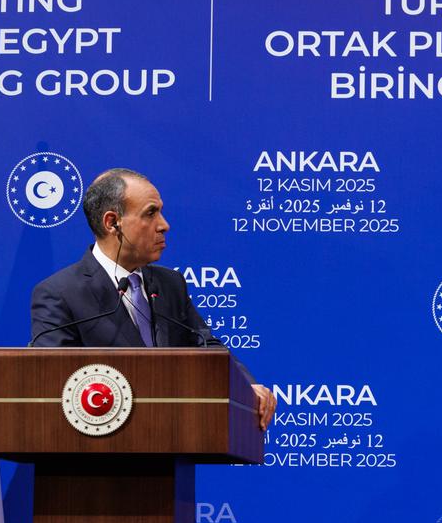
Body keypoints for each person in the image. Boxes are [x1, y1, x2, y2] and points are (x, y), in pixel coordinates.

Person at [31, 168, 276, 431]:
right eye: (151, 213)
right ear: (113, 223)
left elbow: (207, 346)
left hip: (169, 447)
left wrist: (245, 386)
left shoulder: (171, 285)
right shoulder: (60, 293)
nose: (164, 225)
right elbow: (52, 385)